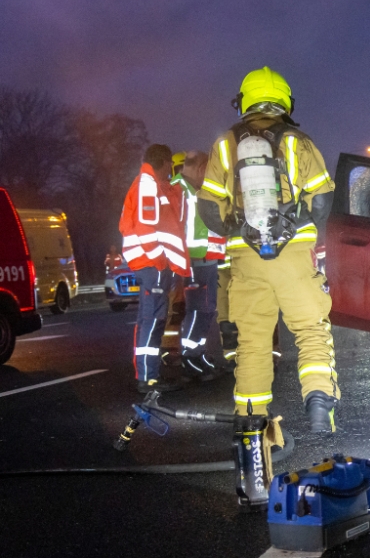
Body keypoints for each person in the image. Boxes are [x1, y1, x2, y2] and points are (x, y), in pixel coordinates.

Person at [197, 66, 340, 433]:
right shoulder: (297, 141)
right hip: (293, 255)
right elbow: (322, 198)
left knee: (253, 343)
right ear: (284, 101)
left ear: (244, 100)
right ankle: (320, 403)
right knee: (310, 329)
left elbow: (210, 209)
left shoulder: (225, 144)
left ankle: (251, 426)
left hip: (246, 261)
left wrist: (241, 231)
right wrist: (298, 226)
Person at [119, 144, 190, 393]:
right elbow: (147, 227)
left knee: (149, 319)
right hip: (153, 264)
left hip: (150, 263)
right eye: (170, 163)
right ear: (163, 161)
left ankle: (147, 375)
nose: (171, 168)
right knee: (153, 320)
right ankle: (148, 379)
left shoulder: (147, 183)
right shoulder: (148, 184)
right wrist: (160, 260)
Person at [172, 150, 226, 381]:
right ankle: (189, 357)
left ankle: (198, 353)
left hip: (206, 257)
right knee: (197, 310)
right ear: (202, 167)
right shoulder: (178, 188)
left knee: (206, 309)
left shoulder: (194, 189)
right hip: (193, 259)